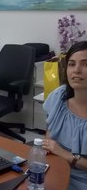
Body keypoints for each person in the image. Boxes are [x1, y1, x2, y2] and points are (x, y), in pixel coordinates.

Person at [42, 41, 87, 190]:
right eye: (71, 64)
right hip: (55, 170)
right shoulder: (59, 97)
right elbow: (48, 138)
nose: (77, 70)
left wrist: (66, 155)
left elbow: (60, 151)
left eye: (85, 64)